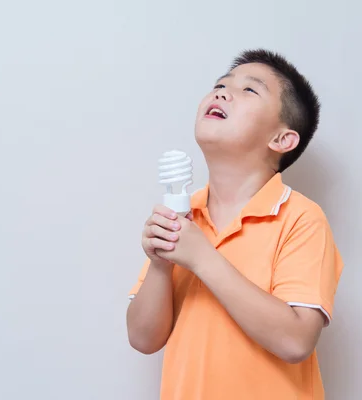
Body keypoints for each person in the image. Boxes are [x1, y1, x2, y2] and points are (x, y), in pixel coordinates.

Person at [126, 49, 344, 400]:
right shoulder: (184, 216)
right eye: (220, 85)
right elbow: (142, 339)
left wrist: (201, 257)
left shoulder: (301, 218)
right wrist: (159, 265)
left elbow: (295, 340)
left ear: (281, 139)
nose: (222, 92)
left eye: (249, 90)